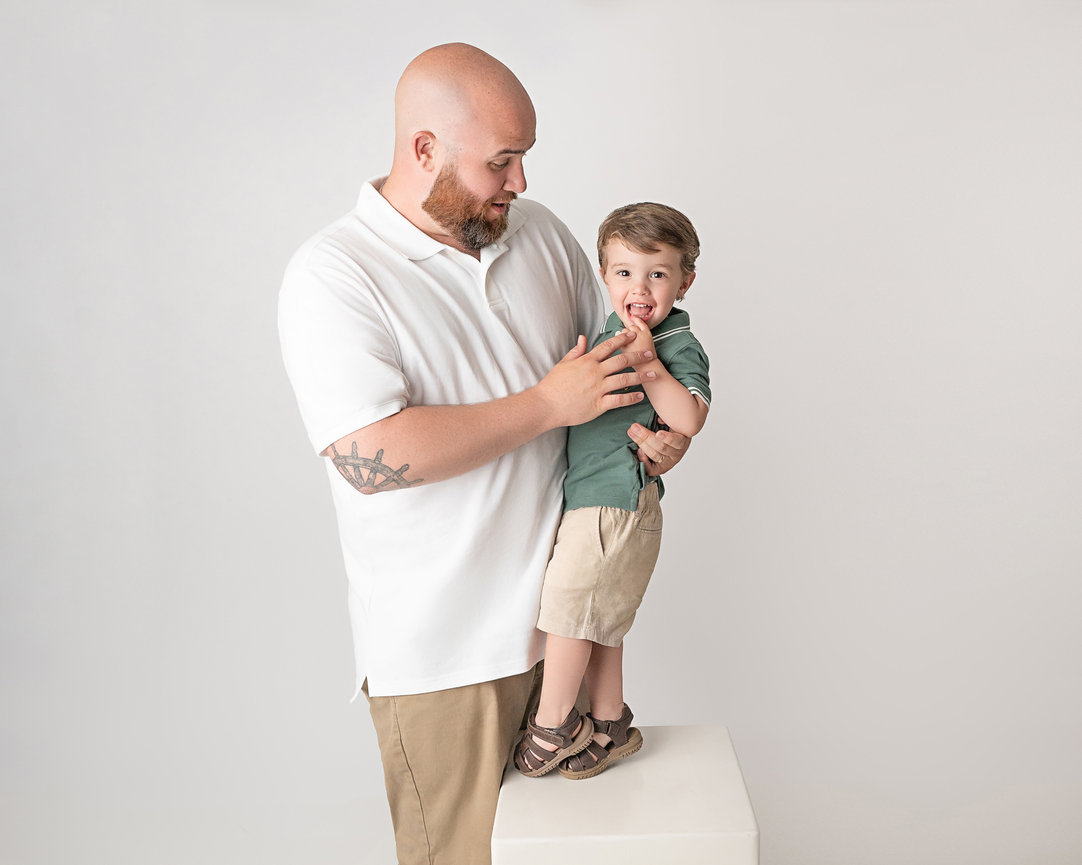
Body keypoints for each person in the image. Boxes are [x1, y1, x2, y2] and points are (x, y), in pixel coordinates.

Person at [277, 44, 690, 865]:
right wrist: (547, 405)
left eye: (525, 157)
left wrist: (659, 435)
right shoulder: (334, 274)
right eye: (501, 161)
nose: (521, 182)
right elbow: (368, 454)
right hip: (447, 660)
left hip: (565, 631)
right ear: (424, 148)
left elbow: (611, 374)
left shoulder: (541, 236)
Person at [514, 202, 710, 780]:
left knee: (570, 614)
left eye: (657, 273)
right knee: (598, 619)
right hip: (592, 496)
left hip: (616, 500)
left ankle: (553, 724)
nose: (639, 287)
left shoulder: (673, 344)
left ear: (684, 281)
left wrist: (649, 365)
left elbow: (689, 418)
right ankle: (608, 723)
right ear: (604, 275)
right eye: (624, 272)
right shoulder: (611, 331)